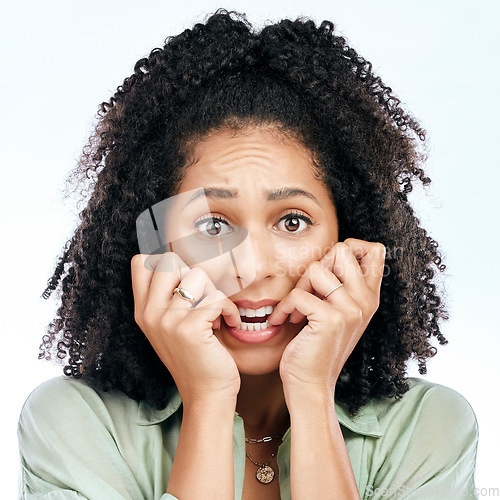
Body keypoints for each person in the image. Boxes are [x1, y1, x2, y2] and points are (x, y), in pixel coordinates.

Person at [18, 10, 478, 500]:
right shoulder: (72, 424)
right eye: (213, 225)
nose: (254, 269)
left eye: (292, 221)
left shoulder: (429, 429)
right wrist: (209, 401)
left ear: (351, 240)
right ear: (154, 246)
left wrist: (311, 394)